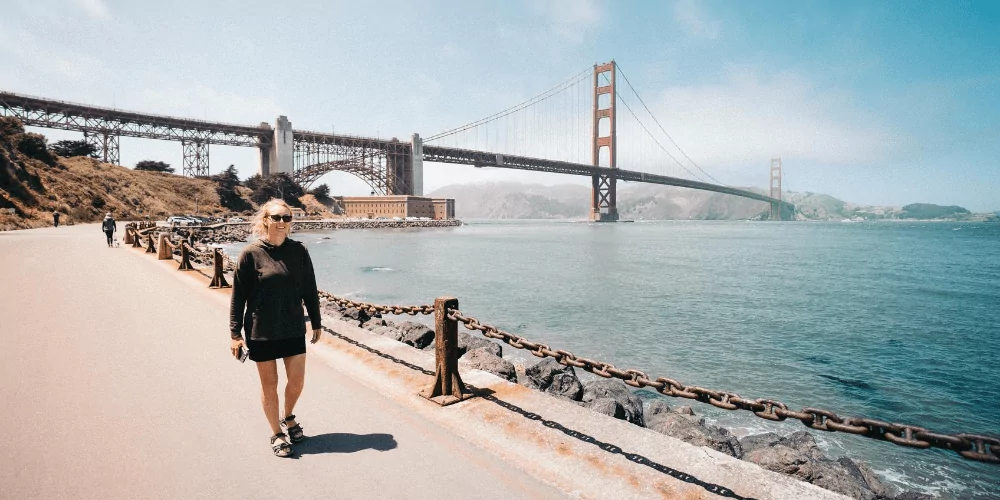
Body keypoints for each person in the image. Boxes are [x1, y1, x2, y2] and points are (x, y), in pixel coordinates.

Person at [229, 198, 322, 458]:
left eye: (287, 218)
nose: (282, 222)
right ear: (265, 220)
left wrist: (316, 321)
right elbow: (238, 296)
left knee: (297, 381)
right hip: (262, 330)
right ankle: (277, 433)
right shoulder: (251, 254)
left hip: (293, 326)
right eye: (277, 217)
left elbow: (309, 288)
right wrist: (235, 334)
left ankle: (288, 415)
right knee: (270, 385)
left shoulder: (299, 251)